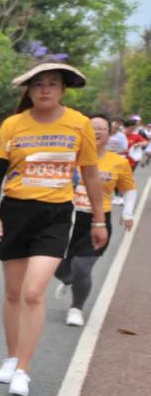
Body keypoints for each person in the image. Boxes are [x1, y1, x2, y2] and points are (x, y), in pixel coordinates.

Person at [0, 62, 106, 396]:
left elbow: (90, 173)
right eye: (38, 84)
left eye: (52, 83)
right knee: (13, 293)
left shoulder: (79, 124)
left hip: (55, 216)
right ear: (29, 90)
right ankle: (11, 358)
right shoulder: (13, 124)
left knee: (33, 292)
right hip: (15, 212)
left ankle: (23, 370)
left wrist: (98, 220)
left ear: (62, 89)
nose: (45, 89)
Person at [54, 114, 137, 326]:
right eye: (92, 127)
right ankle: (68, 279)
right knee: (57, 267)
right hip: (65, 216)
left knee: (82, 267)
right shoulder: (69, 157)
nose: (97, 131)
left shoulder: (118, 162)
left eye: (102, 128)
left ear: (110, 134)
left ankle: (76, 309)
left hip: (96, 221)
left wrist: (127, 213)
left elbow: (129, 189)